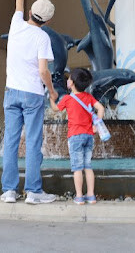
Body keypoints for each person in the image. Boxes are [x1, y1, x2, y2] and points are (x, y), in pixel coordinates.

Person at [0, 0, 59, 205]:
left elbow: (18, 5)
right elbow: (44, 71)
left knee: (10, 142)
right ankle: (33, 192)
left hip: (11, 92)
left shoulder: (16, 25)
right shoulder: (43, 37)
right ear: (48, 20)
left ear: (30, 12)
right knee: (33, 142)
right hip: (33, 94)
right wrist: (51, 91)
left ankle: (9, 191)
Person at [49, 67, 105, 205]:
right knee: (88, 166)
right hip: (88, 136)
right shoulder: (88, 97)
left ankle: (79, 196)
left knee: (77, 168)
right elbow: (101, 108)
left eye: (69, 78)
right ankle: (91, 195)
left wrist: (52, 99)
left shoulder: (67, 99)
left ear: (72, 83)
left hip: (75, 137)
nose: (67, 80)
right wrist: (96, 125)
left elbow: (55, 109)